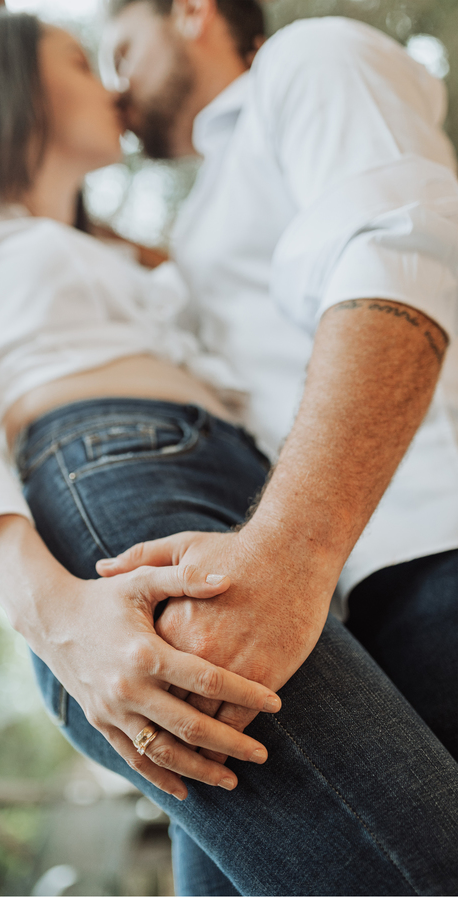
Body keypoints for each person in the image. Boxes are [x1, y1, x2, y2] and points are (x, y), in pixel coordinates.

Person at [0, 12, 458, 895]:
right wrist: (56, 616)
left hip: (247, 494)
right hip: (119, 485)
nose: (111, 83)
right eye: (80, 59)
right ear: (9, 88)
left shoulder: (135, 260)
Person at [97, 0, 458, 889]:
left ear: (190, 12)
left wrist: (292, 550)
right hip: (345, 604)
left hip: (431, 545)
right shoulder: (211, 207)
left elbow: (400, 248)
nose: (116, 83)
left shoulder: (311, 58)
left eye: (121, 48)